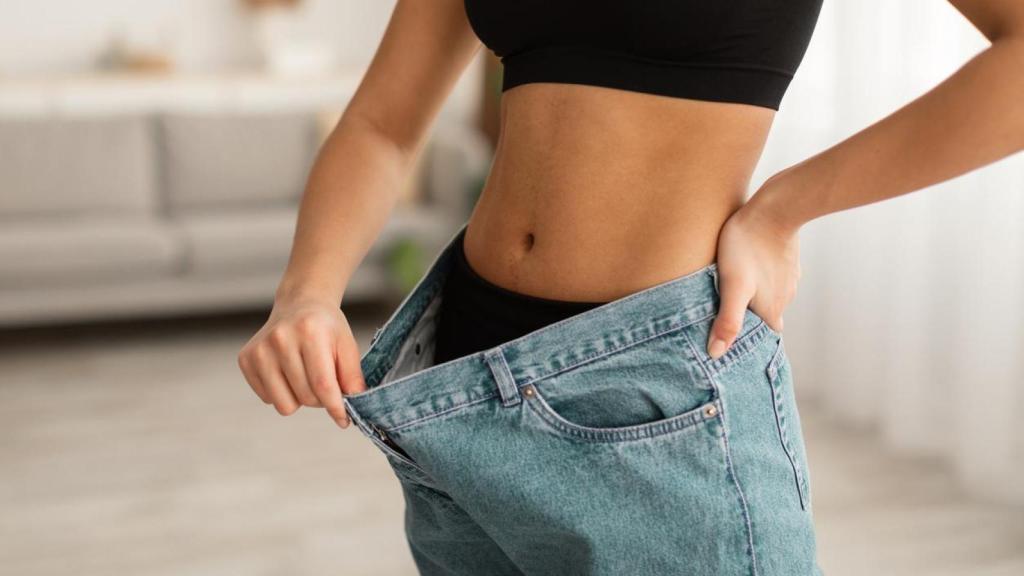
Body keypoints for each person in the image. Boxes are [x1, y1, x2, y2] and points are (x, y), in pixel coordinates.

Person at [238, 1, 1024, 574]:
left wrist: (786, 207)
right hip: (460, 376)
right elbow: (384, 121)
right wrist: (308, 290)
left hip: (654, 388)